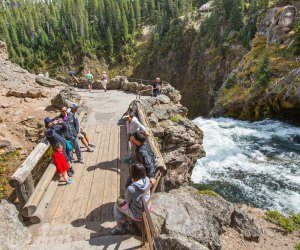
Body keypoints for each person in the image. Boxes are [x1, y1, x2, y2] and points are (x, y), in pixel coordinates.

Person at [111, 163, 151, 235]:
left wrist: (120, 200)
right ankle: (125, 220)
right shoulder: (147, 179)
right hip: (148, 208)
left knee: (116, 206)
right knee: (122, 202)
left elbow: (126, 202)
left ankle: (120, 228)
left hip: (138, 214)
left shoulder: (131, 188)